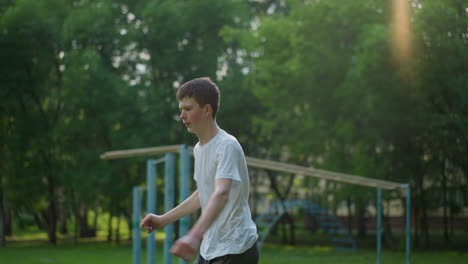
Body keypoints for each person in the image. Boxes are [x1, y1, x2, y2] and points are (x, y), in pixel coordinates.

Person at [140, 77, 259, 264]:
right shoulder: (199, 148)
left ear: (206, 110)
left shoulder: (226, 145)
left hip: (235, 248)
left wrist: (194, 235)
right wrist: (163, 220)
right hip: (210, 248)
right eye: (181, 110)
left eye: (188, 109)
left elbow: (221, 194)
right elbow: (202, 194)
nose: (182, 116)